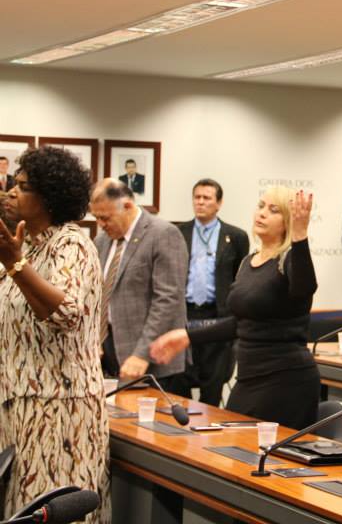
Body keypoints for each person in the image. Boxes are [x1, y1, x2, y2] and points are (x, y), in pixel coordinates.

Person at [0, 147, 109, 521]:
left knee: (53, 511)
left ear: (49, 195)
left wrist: (15, 264)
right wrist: (14, 259)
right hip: (19, 406)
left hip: (61, 408)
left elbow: (65, 313)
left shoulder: (71, 243)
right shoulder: (23, 244)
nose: (11, 193)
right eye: (12, 184)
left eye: (23, 186)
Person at [151, 188, 320, 429]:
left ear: (288, 221)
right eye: (260, 205)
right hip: (250, 377)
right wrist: (187, 336)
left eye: (273, 210)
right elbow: (240, 323)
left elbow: (305, 289)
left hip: (286, 378)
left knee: (262, 459)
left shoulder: (290, 258)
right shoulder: (248, 262)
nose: (262, 213)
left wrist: (300, 236)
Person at [90, 179, 188, 387]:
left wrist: (142, 354)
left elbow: (167, 299)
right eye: (97, 218)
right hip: (108, 356)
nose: (101, 224)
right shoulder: (102, 241)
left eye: (105, 217)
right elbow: (97, 294)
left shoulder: (163, 234)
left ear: (127, 206)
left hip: (151, 360)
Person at [176, 179, 249, 406]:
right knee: (180, 378)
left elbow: (240, 276)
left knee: (213, 380)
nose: (200, 202)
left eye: (206, 198)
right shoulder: (179, 232)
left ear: (219, 203)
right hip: (185, 314)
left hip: (217, 316)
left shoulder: (235, 236)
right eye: (197, 197)